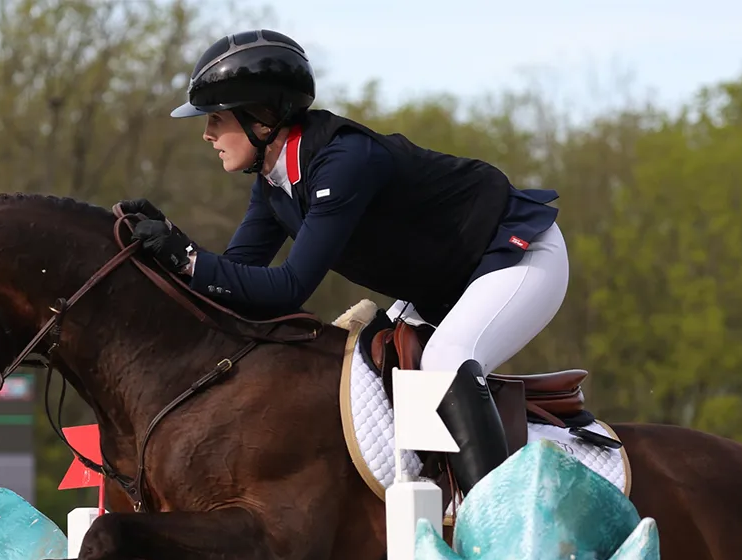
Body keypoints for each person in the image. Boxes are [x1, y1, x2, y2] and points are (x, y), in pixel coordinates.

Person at [120, 29, 569, 494]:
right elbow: (238, 280)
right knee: (368, 381)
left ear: (261, 116)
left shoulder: (344, 160)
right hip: (446, 288)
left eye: (216, 118)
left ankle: (499, 527)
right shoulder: (274, 183)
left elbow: (289, 287)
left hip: (517, 254)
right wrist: (171, 253)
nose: (207, 133)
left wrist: (189, 260)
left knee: (444, 362)